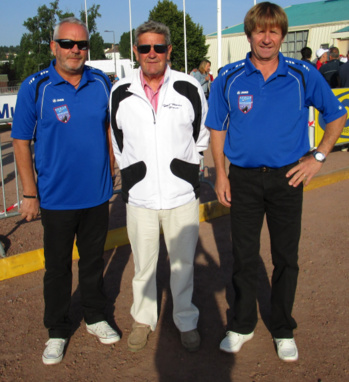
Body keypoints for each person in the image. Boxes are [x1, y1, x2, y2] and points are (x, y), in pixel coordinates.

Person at [206, 2, 347, 363]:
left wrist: (318, 157)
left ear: (282, 35)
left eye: (273, 31)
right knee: (244, 256)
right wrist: (221, 174)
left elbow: (336, 115)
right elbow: (218, 128)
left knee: (286, 257)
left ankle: (283, 328)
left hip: (289, 178)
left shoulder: (302, 74)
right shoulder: (229, 77)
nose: (266, 38)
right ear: (249, 34)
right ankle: (241, 324)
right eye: (259, 31)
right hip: (244, 179)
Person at [11, 17, 120, 365]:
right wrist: (30, 193)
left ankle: (95, 316)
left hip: (97, 194)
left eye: (82, 44)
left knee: (92, 262)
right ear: (53, 46)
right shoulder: (36, 86)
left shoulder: (101, 82)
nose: (76, 50)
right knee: (57, 268)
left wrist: (113, 162)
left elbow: (107, 127)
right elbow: (20, 141)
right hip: (56, 198)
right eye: (68, 43)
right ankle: (57, 330)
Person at [109, 20, 210, 353]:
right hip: (139, 198)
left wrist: (185, 171)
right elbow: (118, 141)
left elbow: (201, 135)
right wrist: (135, 175)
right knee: (144, 267)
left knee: (183, 267)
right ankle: (143, 319)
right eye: (144, 48)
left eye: (158, 47)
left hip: (181, 195)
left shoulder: (188, 87)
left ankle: (186, 320)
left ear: (169, 50)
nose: (151, 54)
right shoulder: (120, 91)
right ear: (136, 51)